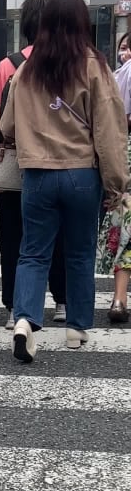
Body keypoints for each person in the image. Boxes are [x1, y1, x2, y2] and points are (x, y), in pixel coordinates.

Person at [1, 0, 129, 362]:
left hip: (38, 175)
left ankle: (25, 320)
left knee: (33, 253)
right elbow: (109, 130)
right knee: (79, 252)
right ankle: (76, 327)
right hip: (81, 174)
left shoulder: (27, 69)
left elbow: (7, 125)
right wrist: (116, 183)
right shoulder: (94, 67)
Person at [0, 0, 67, 329]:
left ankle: (14, 305)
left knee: (14, 236)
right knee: (61, 234)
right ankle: (63, 300)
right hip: (64, 162)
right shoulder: (74, 60)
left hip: (19, 161)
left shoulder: (10, 65)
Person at [97, 54, 131, 323]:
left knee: (126, 228)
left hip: (126, 152)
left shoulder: (121, 74)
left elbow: (115, 119)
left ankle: (119, 299)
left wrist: (113, 185)